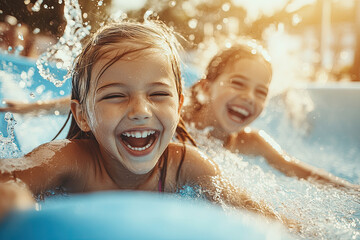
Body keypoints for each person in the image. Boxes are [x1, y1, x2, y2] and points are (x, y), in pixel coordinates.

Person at [0, 20, 297, 229]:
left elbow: (255, 211)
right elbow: (11, 176)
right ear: (82, 116)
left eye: (158, 94)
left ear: (179, 106)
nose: (141, 110)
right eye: (116, 95)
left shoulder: (184, 165)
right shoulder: (70, 159)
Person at [182, 41, 358, 190]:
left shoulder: (251, 142)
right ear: (206, 87)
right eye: (238, 83)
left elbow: (298, 169)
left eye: (261, 92)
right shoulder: (177, 126)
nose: (250, 97)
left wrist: (354, 192)